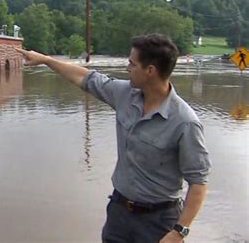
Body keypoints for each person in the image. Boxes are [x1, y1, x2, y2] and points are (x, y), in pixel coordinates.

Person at [16, 33, 211, 243]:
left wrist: (178, 232)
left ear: (150, 71)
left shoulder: (185, 122)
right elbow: (86, 78)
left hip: (159, 222)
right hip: (119, 213)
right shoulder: (125, 94)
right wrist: (46, 60)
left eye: (132, 63)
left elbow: (198, 182)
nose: (127, 68)